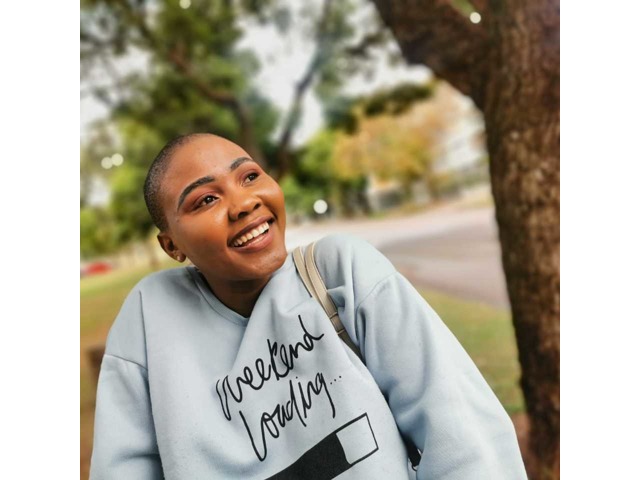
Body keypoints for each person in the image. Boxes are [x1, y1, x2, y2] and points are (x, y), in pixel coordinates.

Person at [90, 133, 527, 479]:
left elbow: (462, 436)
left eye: (249, 177)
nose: (244, 203)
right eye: (206, 199)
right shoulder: (150, 320)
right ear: (172, 245)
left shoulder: (339, 272)